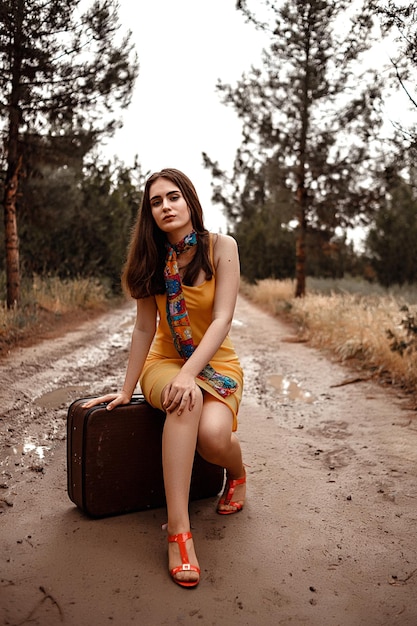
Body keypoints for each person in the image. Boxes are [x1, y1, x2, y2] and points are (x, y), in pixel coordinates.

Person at [83, 168, 246, 588]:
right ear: (149, 213)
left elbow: (223, 319)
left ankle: (239, 473)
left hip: (216, 361)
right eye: (156, 202)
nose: (165, 206)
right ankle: (179, 531)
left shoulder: (222, 247)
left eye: (173, 197)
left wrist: (191, 373)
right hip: (165, 362)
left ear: (190, 202)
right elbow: (143, 329)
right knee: (183, 400)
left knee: (214, 439)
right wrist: (125, 390)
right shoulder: (150, 259)